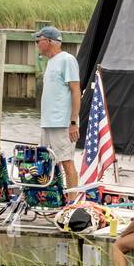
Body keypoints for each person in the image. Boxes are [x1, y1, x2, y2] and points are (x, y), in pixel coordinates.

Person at [36, 26, 81, 190]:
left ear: (48, 41)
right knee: (48, 164)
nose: (37, 44)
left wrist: (73, 122)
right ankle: (53, 200)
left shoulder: (66, 59)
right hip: (47, 123)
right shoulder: (50, 62)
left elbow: (76, 90)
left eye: (38, 40)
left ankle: (71, 204)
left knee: (67, 162)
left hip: (62, 123)